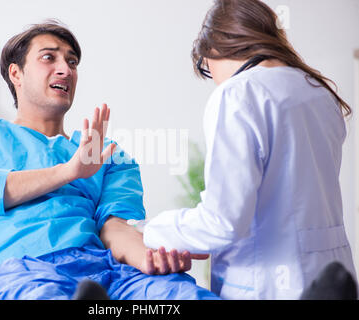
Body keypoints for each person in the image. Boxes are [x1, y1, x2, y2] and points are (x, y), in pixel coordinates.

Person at [0, 20, 217, 300]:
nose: (65, 69)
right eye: (49, 57)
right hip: (19, 273)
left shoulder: (107, 153)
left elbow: (115, 226)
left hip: (107, 273)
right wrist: (69, 171)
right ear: (16, 73)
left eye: (72, 62)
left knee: (178, 294)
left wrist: (148, 258)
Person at [142, 0, 358, 300]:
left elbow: (223, 222)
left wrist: (152, 229)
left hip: (268, 286)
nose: (213, 80)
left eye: (206, 70)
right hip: (335, 276)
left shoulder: (237, 94)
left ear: (212, 51)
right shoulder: (318, 92)